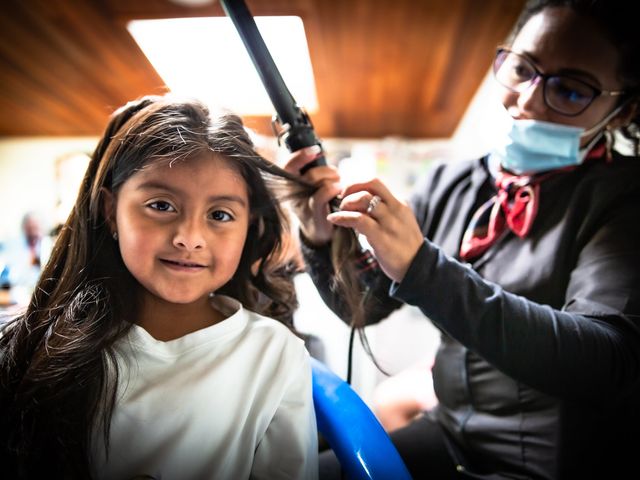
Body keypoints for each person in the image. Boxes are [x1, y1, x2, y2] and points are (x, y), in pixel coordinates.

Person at [283, 0, 640, 478]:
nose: (529, 101)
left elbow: (606, 362)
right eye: (522, 69)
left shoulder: (624, 199)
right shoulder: (452, 183)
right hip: (450, 435)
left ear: (621, 112)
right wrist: (320, 237)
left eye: (571, 90)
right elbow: (363, 308)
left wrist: (423, 269)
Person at [0, 95, 319, 479]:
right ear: (109, 210)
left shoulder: (274, 355)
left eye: (220, 215)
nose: (189, 238)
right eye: (161, 205)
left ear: (249, 226)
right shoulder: (35, 346)